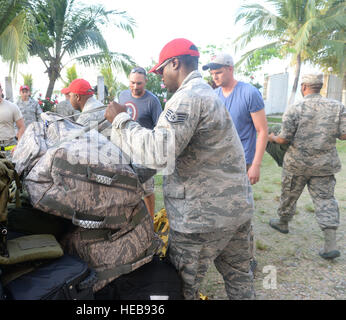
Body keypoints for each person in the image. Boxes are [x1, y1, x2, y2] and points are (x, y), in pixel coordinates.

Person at [104, 38, 255, 300]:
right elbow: (179, 151)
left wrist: (120, 120)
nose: (161, 78)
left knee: (180, 289)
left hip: (201, 219)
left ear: (175, 63)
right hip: (236, 211)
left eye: (162, 70)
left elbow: (159, 152)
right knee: (240, 281)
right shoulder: (207, 93)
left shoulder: (188, 97)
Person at [268, 73, 346, 260]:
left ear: (304, 87)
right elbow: (344, 135)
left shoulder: (295, 108)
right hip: (324, 165)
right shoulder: (337, 107)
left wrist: (271, 137)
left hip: (297, 164)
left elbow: (283, 138)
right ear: (320, 86)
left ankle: (283, 222)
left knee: (289, 194)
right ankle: (330, 244)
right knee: (326, 200)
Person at [203, 53, 268, 185]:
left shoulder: (249, 93)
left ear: (230, 69)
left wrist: (256, 165)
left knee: (239, 203)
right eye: (212, 73)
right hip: (218, 161)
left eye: (219, 72)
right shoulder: (213, 96)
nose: (214, 77)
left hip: (241, 161)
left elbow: (262, 131)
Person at [118, 66, 163, 218]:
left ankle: (150, 223)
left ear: (146, 82)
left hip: (144, 153)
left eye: (139, 83)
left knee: (147, 190)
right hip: (124, 151)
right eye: (132, 83)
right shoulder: (122, 96)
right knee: (125, 187)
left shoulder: (153, 101)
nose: (135, 87)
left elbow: (159, 128)